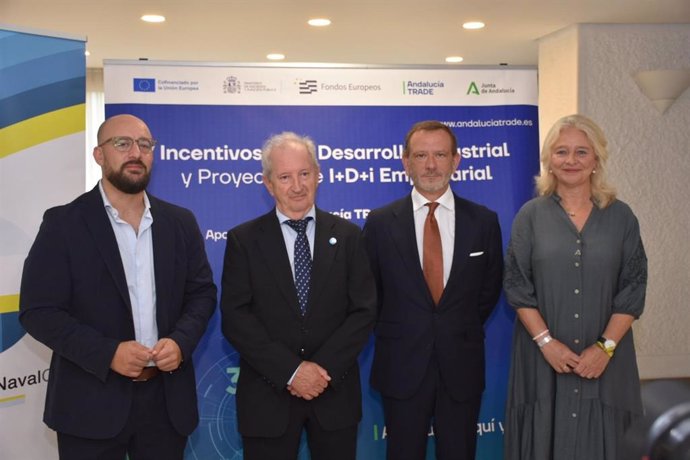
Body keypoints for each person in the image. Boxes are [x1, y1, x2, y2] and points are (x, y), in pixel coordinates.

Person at [19, 114, 217, 460]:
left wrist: (182, 342)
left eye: (145, 145)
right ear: (99, 155)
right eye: (122, 144)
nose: (135, 153)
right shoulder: (63, 223)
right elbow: (39, 311)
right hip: (89, 404)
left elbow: (201, 294)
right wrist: (108, 353)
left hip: (166, 404)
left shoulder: (180, 222)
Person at [220, 132, 377, 460]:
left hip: (333, 394)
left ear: (318, 175)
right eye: (285, 177)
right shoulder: (244, 241)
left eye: (304, 174)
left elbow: (363, 312)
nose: (297, 186)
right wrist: (292, 371)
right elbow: (236, 318)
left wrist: (320, 370)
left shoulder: (348, 236)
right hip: (268, 398)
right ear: (268, 183)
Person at [503, 114, 647, 460]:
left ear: (596, 160)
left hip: (608, 365)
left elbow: (634, 285)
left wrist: (605, 348)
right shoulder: (530, 215)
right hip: (542, 360)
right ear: (548, 160)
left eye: (582, 152)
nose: (571, 161)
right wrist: (546, 343)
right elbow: (517, 284)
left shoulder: (621, 217)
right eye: (561, 151)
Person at [363, 120, 504, 460]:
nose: (430, 165)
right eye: (421, 155)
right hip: (402, 365)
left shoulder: (484, 221)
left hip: (461, 365)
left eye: (440, 154)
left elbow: (488, 291)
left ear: (456, 161)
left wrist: (453, 326)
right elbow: (370, 294)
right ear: (405, 161)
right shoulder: (380, 223)